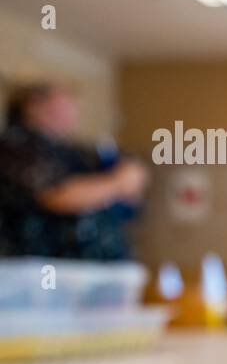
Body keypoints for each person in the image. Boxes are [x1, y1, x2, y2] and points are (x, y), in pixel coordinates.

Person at [0, 82, 148, 259]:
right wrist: (118, 183)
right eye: (64, 104)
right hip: (42, 269)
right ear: (34, 105)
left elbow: (125, 199)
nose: (73, 112)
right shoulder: (17, 146)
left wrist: (128, 183)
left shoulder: (76, 151)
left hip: (92, 266)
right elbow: (55, 194)